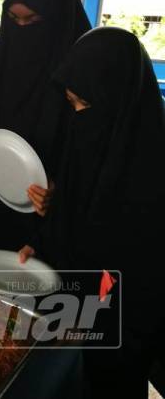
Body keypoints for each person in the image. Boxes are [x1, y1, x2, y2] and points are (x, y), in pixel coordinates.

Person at [18, 27, 165, 398]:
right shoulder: (88, 140)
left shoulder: (153, 177)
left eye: (85, 104)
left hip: (117, 338)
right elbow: (73, 218)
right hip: (68, 318)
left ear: (119, 103)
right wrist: (41, 247)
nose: (78, 115)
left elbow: (140, 277)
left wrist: (87, 319)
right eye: (72, 104)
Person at [0, 0, 91, 250]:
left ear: (58, 16)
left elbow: (95, 162)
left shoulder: (83, 75)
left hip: (54, 234)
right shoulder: (1, 67)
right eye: (13, 20)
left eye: (33, 20)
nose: (22, 29)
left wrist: (59, 191)